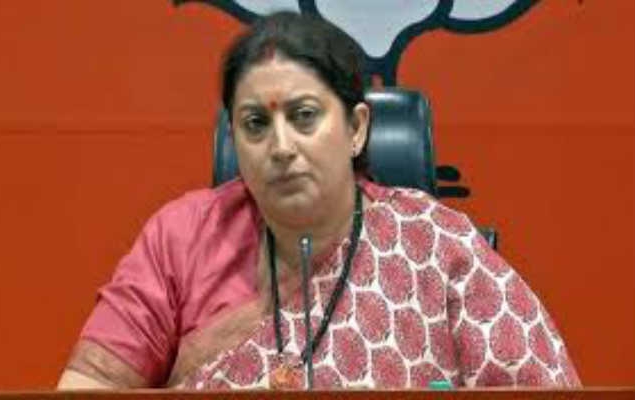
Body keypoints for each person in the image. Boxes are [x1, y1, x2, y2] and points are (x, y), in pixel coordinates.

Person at [57, 11, 581, 390]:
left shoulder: (437, 245)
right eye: (256, 124)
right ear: (234, 138)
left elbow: (539, 386)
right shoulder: (181, 237)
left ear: (356, 128)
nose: (281, 146)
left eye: (304, 116)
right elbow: (88, 385)